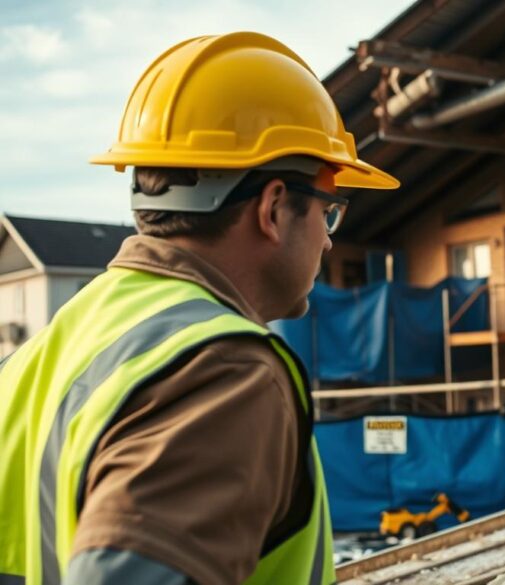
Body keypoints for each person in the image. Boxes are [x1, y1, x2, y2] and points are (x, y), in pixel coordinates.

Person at [0, 32, 398, 585]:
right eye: (328, 212)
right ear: (274, 207)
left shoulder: (41, 356)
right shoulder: (224, 371)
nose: (329, 241)